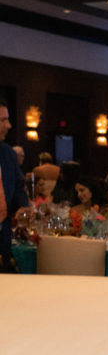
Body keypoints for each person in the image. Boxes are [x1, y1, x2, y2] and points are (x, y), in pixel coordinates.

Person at [0, 100, 29, 271]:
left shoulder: (9, 154)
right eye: (3, 120)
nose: (9, 125)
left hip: (3, 238)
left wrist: (22, 206)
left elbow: (18, 187)